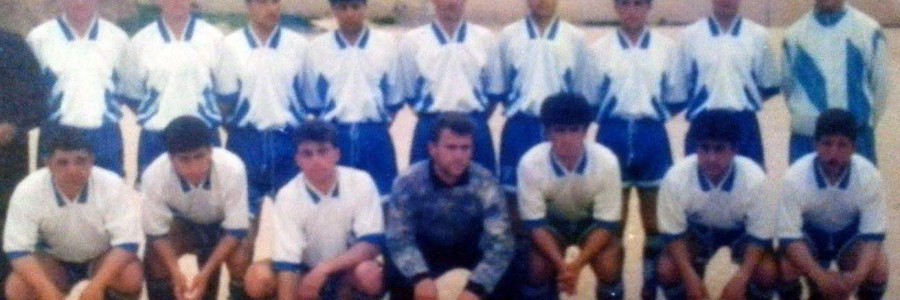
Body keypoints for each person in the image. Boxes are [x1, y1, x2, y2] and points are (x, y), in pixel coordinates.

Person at [586, 0, 677, 297]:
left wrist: (653, 110)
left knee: (654, 221)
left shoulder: (666, 47)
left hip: (652, 135)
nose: (632, 11)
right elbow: (591, 96)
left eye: (639, 4)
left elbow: (676, 94)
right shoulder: (599, 49)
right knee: (614, 221)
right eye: (625, 4)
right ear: (616, 8)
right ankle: (613, 288)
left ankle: (651, 285)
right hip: (612, 133)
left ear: (649, 7)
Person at [242, 120, 385, 300]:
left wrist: (323, 270)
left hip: (346, 270)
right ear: (298, 160)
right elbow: (288, 263)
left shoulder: (361, 182)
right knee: (257, 277)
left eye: (323, 151)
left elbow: (371, 245)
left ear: (337, 154)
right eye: (307, 154)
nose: (316, 160)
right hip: (305, 272)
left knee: (369, 273)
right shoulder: (287, 196)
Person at [385, 113, 515, 299]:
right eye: (451, 148)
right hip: (425, 256)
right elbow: (399, 238)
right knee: (394, 269)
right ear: (432, 149)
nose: (459, 156)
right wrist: (419, 277)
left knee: (509, 271)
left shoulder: (486, 183)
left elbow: (500, 243)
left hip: (469, 255)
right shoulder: (407, 182)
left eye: (465, 148)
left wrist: (475, 288)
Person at [3, 129, 143, 299]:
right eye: (62, 162)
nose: (73, 170)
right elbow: (17, 249)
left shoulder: (111, 184)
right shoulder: (28, 189)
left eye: (81, 161)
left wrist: (97, 286)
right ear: (48, 163)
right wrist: (47, 291)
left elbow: (128, 242)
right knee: (17, 288)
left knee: (131, 276)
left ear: (92, 161)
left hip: (100, 257)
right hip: (54, 260)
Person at [656, 110, 778, 300]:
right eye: (704, 148)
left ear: (735, 150)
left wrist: (741, 279)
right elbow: (673, 234)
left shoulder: (755, 179)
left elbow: (759, 235)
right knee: (667, 269)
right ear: (696, 149)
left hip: (741, 232)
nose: (711, 157)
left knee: (767, 272)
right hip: (698, 231)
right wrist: (690, 277)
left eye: (719, 148)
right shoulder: (675, 178)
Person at [219, 0, 306, 253]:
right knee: (241, 237)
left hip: (288, 143)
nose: (271, 8)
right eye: (263, 2)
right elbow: (225, 102)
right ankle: (242, 291)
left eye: (276, 1)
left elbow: (310, 99)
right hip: (246, 144)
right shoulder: (230, 46)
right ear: (248, 6)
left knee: (295, 233)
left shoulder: (298, 45)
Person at [517, 93, 623, 299]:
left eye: (575, 130)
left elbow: (606, 225)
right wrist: (563, 267)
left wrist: (575, 266)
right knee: (536, 266)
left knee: (609, 263)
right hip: (551, 226)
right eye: (560, 130)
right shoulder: (530, 163)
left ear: (585, 132)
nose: (568, 138)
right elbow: (535, 225)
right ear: (547, 133)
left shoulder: (606, 161)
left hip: (589, 225)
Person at [777, 109, 888, 300]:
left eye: (842, 145)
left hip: (848, 238)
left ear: (854, 147)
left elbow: (873, 236)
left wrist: (854, 279)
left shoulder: (870, 176)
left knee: (878, 266)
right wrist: (821, 278)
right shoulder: (795, 177)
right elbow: (789, 237)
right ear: (815, 145)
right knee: (784, 266)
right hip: (810, 237)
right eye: (826, 144)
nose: (833, 153)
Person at [118, 0, 236, 174]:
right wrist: (158, 113)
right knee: (156, 197)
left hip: (203, 136)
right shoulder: (140, 41)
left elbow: (226, 92)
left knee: (206, 197)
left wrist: (204, 117)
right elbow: (132, 95)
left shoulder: (213, 38)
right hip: (157, 139)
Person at [141, 116, 250, 300]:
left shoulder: (233, 168)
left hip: (225, 227)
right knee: (154, 258)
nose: (194, 167)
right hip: (186, 223)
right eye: (184, 160)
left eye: (200, 156)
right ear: (171, 159)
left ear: (210, 152)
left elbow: (236, 230)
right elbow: (156, 234)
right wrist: (176, 274)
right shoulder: (153, 175)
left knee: (241, 258)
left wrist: (205, 274)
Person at [304, 0, 403, 195]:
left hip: (375, 136)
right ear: (333, 10)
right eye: (342, 7)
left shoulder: (387, 45)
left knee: (381, 200)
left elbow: (394, 99)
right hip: (335, 136)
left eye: (356, 7)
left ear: (366, 7)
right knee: (336, 202)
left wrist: (372, 126)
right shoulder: (317, 49)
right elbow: (313, 103)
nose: (350, 14)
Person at [672, 0, 780, 168]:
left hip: (744, 125)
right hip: (703, 123)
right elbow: (680, 88)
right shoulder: (689, 36)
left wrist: (742, 98)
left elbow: (769, 84)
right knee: (698, 189)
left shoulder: (759, 35)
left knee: (750, 187)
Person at [399, 0, 504, 173]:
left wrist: (475, 117)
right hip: (430, 124)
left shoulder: (485, 39)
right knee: (424, 190)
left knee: (481, 191)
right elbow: (410, 94)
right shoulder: (412, 41)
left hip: (474, 124)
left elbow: (494, 91)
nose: (452, 2)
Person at [496, 0, 590, 192]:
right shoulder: (509, 35)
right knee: (513, 193)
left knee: (558, 192)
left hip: (559, 129)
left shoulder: (575, 37)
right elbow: (502, 86)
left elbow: (580, 89)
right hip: (520, 126)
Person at [28, 0, 129, 176]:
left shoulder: (118, 38)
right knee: (54, 198)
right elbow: (31, 92)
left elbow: (127, 89)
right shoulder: (38, 38)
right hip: (56, 133)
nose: (80, 2)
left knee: (109, 195)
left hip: (105, 133)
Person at [782, 0, 890, 164]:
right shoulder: (794, 36)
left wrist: (860, 126)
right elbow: (788, 88)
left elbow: (880, 87)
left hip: (857, 138)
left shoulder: (869, 31)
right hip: (806, 139)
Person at [0, 29, 46, 286]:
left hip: (7, 158)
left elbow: (37, 100)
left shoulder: (13, 44)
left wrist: (14, 126)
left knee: (8, 227)